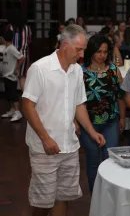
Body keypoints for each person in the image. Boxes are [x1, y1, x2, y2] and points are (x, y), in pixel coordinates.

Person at [22, 25, 105, 216]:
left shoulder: (76, 71)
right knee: (42, 202)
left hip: (70, 146)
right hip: (45, 148)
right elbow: (28, 106)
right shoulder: (40, 68)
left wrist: (92, 132)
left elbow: (79, 105)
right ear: (65, 45)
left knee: (63, 197)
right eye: (79, 49)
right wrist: (46, 139)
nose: (83, 54)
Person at [80, 34, 125, 192]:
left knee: (110, 159)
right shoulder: (81, 72)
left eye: (105, 52)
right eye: (98, 51)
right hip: (88, 125)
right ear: (90, 51)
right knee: (93, 160)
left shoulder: (113, 71)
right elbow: (75, 102)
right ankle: (95, 197)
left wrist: (122, 118)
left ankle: (108, 196)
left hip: (110, 122)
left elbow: (120, 96)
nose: (102, 55)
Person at [1, 29, 24, 122]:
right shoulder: (6, 48)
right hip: (6, 75)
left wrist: (17, 68)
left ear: (3, 38)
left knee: (13, 95)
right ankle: (12, 110)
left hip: (11, 76)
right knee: (8, 95)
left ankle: (18, 112)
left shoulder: (11, 48)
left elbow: (22, 57)